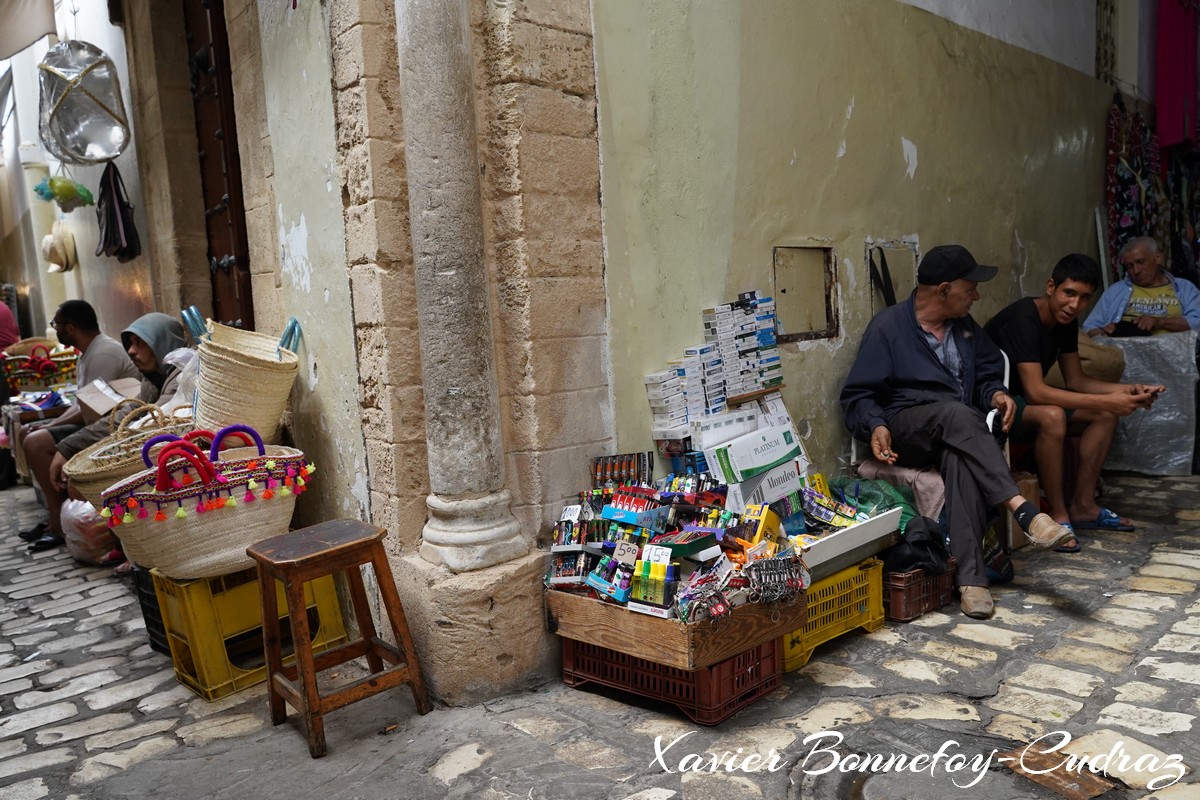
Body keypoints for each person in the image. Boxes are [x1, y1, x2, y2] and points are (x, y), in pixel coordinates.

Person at [841, 244, 1074, 620]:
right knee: (954, 413)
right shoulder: (889, 328)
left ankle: (972, 582)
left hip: (958, 433)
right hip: (906, 431)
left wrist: (996, 393)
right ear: (944, 289)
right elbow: (858, 394)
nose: (977, 294)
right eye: (971, 287)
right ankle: (1024, 511)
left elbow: (984, 374)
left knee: (960, 459)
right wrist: (876, 424)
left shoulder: (964, 328)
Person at [984, 254, 1163, 553]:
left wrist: (1128, 391)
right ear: (1051, 286)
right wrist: (1113, 399)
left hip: (1026, 400)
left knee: (1104, 414)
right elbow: (1038, 392)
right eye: (1069, 293)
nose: (1075, 305)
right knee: (1053, 415)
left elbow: (1077, 380)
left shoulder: (1065, 321)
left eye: (1084, 298)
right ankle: (1059, 515)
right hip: (995, 404)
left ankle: (1083, 506)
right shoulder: (1023, 319)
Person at [25, 312, 185, 552]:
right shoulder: (152, 381)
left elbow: (147, 427)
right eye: (130, 343)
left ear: (161, 343)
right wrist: (67, 448)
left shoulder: (179, 378)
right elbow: (122, 417)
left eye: (140, 343)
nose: (131, 351)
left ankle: (131, 549)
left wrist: (85, 464)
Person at [20, 301, 141, 549]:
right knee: (28, 432)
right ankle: (55, 517)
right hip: (94, 421)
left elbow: (98, 410)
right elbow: (83, 403)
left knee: (34, 442)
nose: (56, 330)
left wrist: (49, 431)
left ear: (71, 327)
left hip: (110, 427)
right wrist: (50, 423)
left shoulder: (102, 353)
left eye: (57, 325)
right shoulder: (88, 352)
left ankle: (58, 524)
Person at [1083, 236, 1200, 337]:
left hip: (1170, 355)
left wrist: (1159, 322)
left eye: (1140, 262)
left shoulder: (1184, 288)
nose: (1136, 270)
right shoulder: (1116, 290)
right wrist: (1104, 334)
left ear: (1158, 258)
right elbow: (1089, 326)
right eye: (1129, 266)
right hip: (1123, 355)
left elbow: (1197, 322)